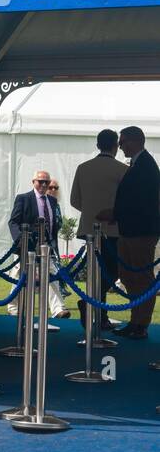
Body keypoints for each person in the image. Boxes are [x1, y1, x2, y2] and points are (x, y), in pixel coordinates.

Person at [98, 126, 160, 340]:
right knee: (129, 277)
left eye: (123, 142)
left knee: (141, 278)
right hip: (130, 230)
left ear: (134, 141)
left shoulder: (146, 166)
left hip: (140, 233)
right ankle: (135, 321)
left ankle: (141, 324)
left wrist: (114, 213)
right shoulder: (138, 165)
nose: (120, 146)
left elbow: (142, 202)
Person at [70, 130, 128, 335]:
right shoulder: (123, 170)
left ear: (97, 145)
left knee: (97, 272)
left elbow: (74, 201)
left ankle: (98, 312)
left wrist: (91, 214)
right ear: (115, 146)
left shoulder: (83, 168)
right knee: (111, 273)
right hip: (113, 229)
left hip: (88, 229)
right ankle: (92, 306)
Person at [6, 169, 68, 318]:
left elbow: (53, 226)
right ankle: (14, 307)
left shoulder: (52, 201)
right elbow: (13, 222)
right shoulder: (23, 198)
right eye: (40, 181)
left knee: (52, 275)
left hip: (46, 247)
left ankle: (58, 309)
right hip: (26, 246)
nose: (44, 185)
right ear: (33, 182)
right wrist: (21, 241)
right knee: (18, 277)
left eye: (47, 182)